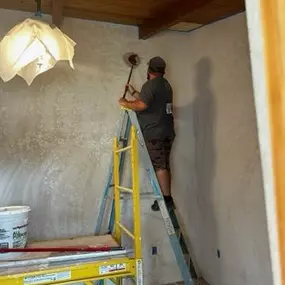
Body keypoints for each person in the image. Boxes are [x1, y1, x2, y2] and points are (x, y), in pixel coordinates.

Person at [118, 56, 175, 211]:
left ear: (149, 70)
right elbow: (149, 101)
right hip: (166, 131)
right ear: (163, 70)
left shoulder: (150, 85)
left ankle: (166, 199)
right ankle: (166, 196)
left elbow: (142, 105)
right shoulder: (165, 84)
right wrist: (134, 92)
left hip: (154, 132)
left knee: (159, 166)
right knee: (163, 164)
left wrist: (125, 103)